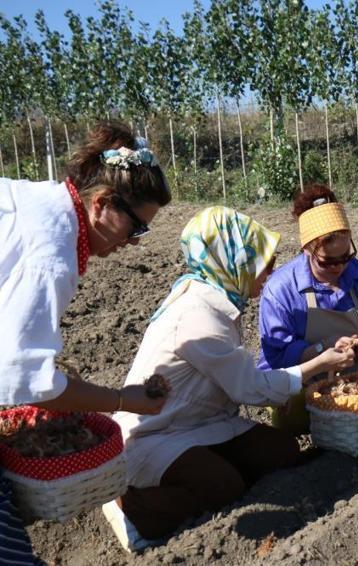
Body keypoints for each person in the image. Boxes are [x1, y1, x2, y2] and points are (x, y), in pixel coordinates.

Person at [105, 207, 355, 552]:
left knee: (280, 450)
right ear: (233, 261)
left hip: (203, 422)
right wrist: (318, 363)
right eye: (262, 263)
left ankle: (212, 469)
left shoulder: (218, 297)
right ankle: (129, 508)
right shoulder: (198, 316)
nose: (269, 272)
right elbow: (248, 388)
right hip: (157, 433)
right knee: (223, 487)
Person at [0, 121, 171, 564]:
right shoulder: (51, 254)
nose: (133, 244)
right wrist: (121, 399)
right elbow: (32, 383)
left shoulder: (40, 204)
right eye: (135, 228)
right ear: (101, 204)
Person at [257, 184, 358, 432]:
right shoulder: (281, 289)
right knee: (299, 417)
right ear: (307, 250)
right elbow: (277, 355)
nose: (339, 267)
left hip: (353, 370)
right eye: (328, 261)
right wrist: (321, 351)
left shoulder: (357, 273)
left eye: (345, 257)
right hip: (301, 377)